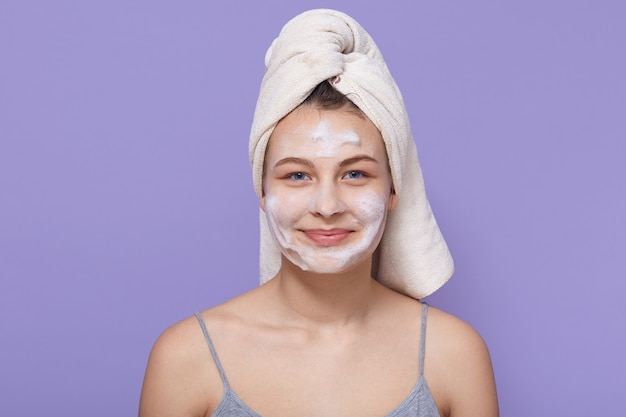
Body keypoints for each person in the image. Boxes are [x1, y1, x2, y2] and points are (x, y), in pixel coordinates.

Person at [139, 9, 498, 417]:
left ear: (394, 190)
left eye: (356, 173)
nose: (327, 207)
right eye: (297, 175)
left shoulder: (453, 354)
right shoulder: (187, 357)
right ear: (262, 190)